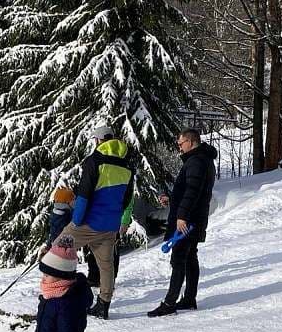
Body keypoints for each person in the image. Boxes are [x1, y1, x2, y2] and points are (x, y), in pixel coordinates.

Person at [66, 125, 135, 320]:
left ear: (98, 141)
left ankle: (55, 295)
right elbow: (127, 198)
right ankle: (103, 305)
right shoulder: (127, 165)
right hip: (110, 224)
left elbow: (84, 194)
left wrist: (76, 221)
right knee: (106, 266)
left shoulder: (94, 160)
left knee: (58, 250)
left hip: (88, 222)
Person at [150, 129, 218, 318]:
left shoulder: (196, 161)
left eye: (181, 144)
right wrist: (173, 199)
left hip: (188, 220)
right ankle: (189, 298)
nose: (179, 147)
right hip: (195, 217)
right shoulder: (204, 160)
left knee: (179, 258)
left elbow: (192, 191)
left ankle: (169, 303)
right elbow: (191, 191)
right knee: (190, 257)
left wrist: (182, 216)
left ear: (191, 141)